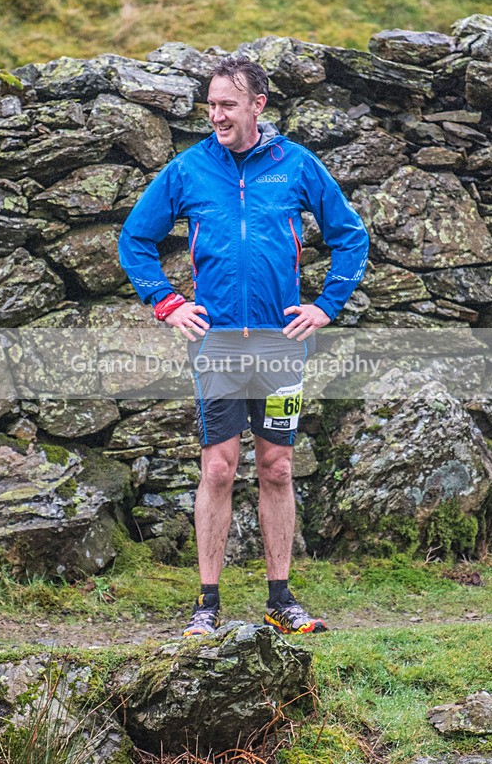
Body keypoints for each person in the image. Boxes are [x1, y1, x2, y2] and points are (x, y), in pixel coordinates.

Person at [118, 56, 369, 636]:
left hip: (282, 344)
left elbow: (350, 237)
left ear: (258, 105)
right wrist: (168, 301)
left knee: (277, 467)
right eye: (210, 105)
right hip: (218, 343)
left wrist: (326, 306)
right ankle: (207, 605)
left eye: (227, 104)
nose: (216, 115)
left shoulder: (296, 164)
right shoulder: (189, 169)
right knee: (219, 468)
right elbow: (135, 238)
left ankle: (280, 600)